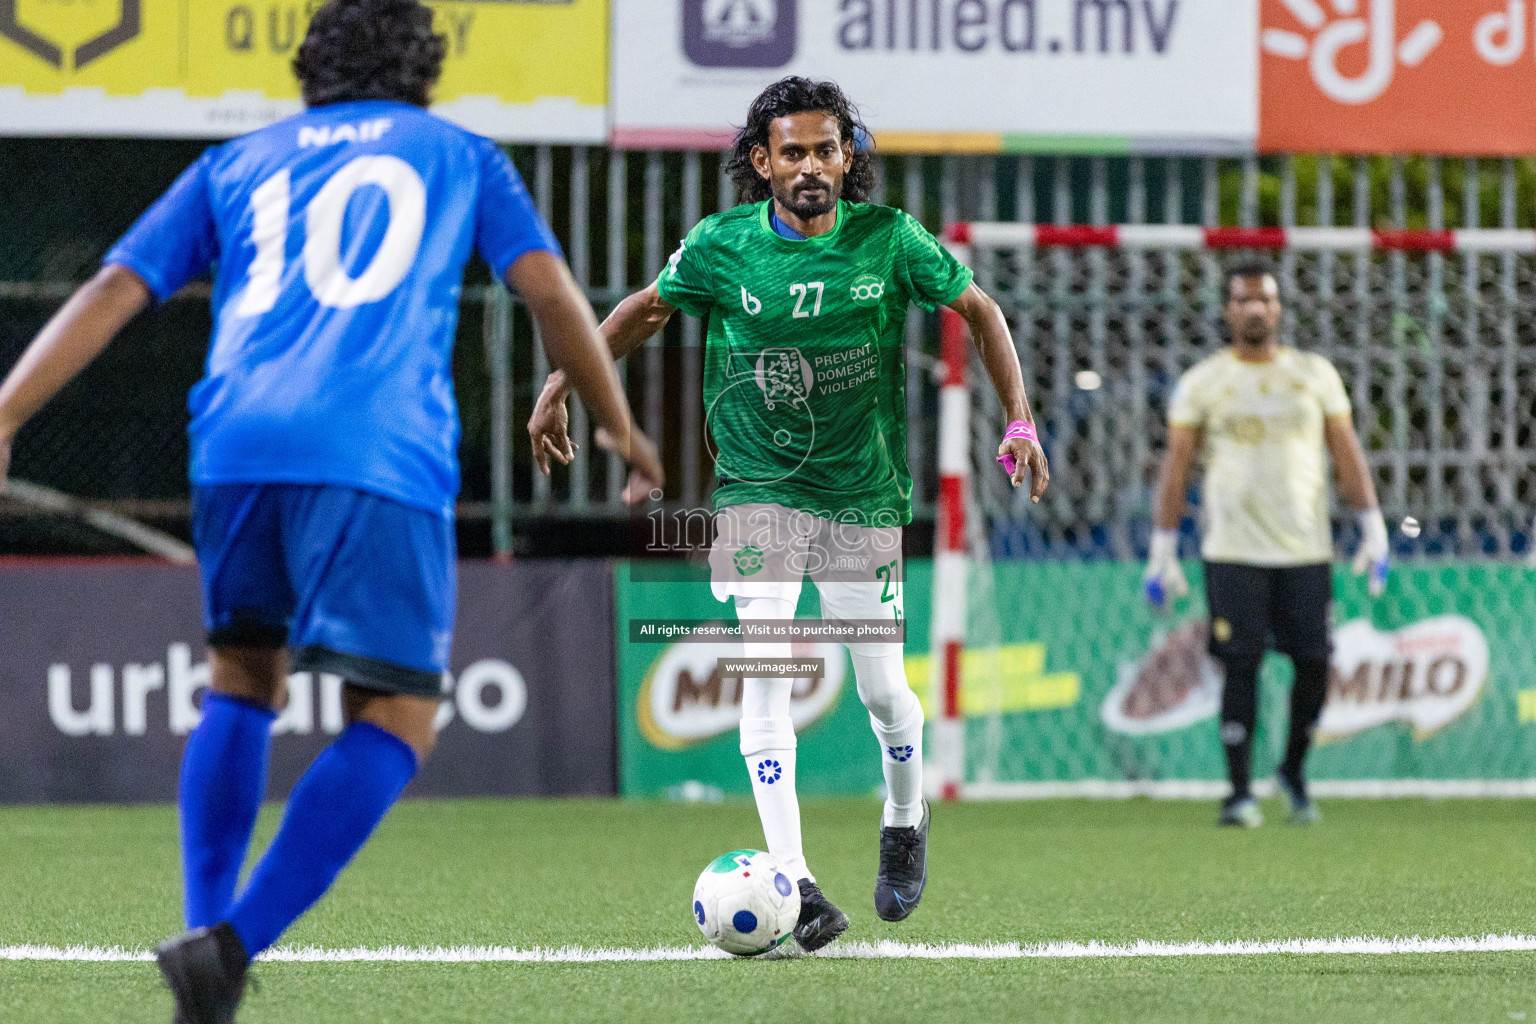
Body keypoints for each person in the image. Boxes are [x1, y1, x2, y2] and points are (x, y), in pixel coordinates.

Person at [0, 2, 660, 1020]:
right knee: (397, 713)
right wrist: (615, 420)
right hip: (373, 448)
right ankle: (231, 942)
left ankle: (202, 934)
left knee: (242, 678)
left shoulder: (234, 160)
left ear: (309, 72)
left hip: (233, 446)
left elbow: (111, 290)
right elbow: (550, 291)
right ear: (423, 71)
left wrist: (4, 412)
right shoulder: (459, 154)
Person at [528, 76, 1048, 949]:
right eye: (793, 151)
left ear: (850, 160)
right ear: (761, 161)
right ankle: (797, 885)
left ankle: (906, 815)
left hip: (859, 501)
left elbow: (981, 312)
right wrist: (558, 385)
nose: (811, 166)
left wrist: (1021, 419)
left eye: (827, 150)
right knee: (763, 672)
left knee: (885, 699)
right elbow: (643, 312)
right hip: (759, 493)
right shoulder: (722, 247)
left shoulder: (891, 243)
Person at [1144, 260, 1388, 829]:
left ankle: (1294, 771)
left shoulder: (1315, 374)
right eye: (1243, 299)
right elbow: (1176, 467)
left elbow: (1345, 450)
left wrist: (1373, 525)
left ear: (1279, 308)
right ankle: (1237, 792)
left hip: (1305, 548)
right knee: (1240, 665)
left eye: (1266, 299)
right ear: (1227, 310)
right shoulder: (1203, 381)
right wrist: (1162, 547)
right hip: (1231, 549)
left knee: (1313, 663)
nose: (1256, 308)